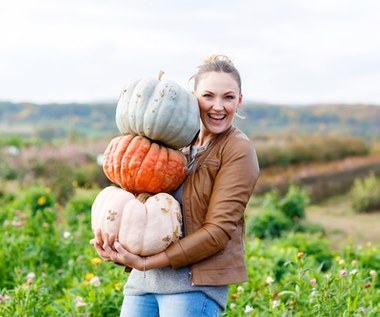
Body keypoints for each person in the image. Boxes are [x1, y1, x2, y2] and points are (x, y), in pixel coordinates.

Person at [90, 54, 260, 317]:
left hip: (192, 287)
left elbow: (218, 232)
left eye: (228, 97)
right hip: (143, 283)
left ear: (239, 101)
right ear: (194, 98)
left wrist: (147, 262)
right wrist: (117, 244)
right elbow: (139, 210)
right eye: (208, 96)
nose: (218, 106)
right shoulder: (174, 143)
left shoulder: (238, 150)